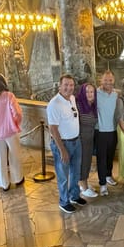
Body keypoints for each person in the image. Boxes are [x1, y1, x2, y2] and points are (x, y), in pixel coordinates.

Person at [47, 75, 86, 214]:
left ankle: (74, 196)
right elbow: (53, 128)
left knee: (75, 171)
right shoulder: (54, 104)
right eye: (66, 85)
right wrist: (62, 149)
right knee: (63, 175)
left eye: (71, 85)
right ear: (59, 86)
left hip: (76, 141)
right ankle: (64, 201)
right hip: (63, 144)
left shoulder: (72, 98)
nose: (69, 87)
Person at [95, 70, 118, 196]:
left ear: (113, 81)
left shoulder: (115, 95)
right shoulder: (96, 93)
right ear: (101, 81)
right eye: (105, 80)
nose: (108, 82)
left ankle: (109, 175)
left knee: (110, 156)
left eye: (110, 80)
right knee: (101, 159)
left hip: (113, 130)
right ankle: (102, 184)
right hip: (101, 131)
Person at [76, 82, 98, 198]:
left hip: (89, 139)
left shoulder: (93, 105)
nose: (89, 94)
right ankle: (83, 187)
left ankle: (84, 183)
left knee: (87, 162)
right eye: (87, 92)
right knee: (82, 163)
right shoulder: (78, 105)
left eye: (91, 91)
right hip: (81, 139)